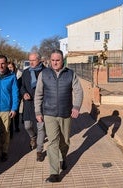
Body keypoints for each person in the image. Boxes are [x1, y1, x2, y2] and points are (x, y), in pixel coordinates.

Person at [34, 49, 83, 182]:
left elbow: (78, 92)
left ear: (62, 61)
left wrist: (76, 107)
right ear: (50, 60)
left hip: (66, 113)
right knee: (53, 143)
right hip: (49, 113)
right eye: (53, 60)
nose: (55, 63)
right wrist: (38, 112)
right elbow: (38, 94)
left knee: (65, 141)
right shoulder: (44, 74)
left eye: (58, 60)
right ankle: (54, 173)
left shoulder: (70, 74)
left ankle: (63, 158)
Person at [20, 51, 46, 162]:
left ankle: (39, 151)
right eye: (29, 60)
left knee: (41, 128)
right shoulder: (26, 72)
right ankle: (32, 137)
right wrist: (24, 93)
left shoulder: (46, 72)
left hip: (42, 104)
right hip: (29, 104)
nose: (31, 62)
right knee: (27, 126)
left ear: (39, 60)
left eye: (33, 60)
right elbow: (22, 87)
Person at [8, 62, 22, 135]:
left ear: (14, 67)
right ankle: (10, 131)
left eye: (11, 67)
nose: (10, 69)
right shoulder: (7, 75)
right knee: (9, 113)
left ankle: (16, 127)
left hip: (17, 96)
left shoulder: (19, 75)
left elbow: (20, 86)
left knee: (15, 112)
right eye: (9, 67)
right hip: (9, 97)